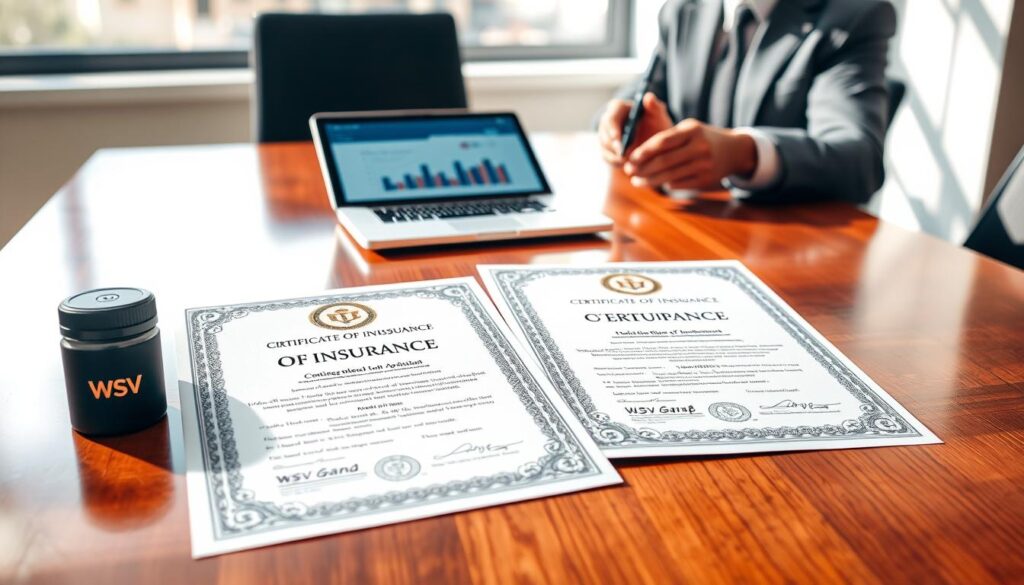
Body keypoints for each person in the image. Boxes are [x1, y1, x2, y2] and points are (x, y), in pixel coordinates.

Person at [598, 0, 897, 203]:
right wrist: (623, 122)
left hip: (789, 248)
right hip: (686, 222)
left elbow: (859, 160)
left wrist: (745, 153)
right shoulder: (684, 7)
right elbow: (646, 89)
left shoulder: (854, 15)